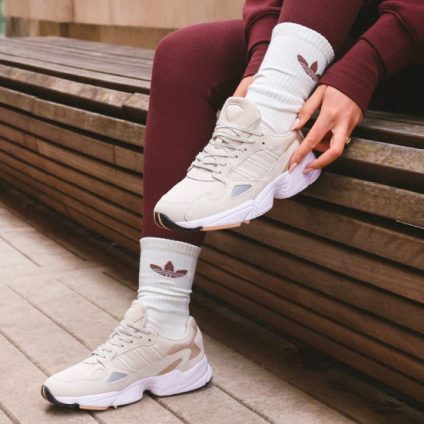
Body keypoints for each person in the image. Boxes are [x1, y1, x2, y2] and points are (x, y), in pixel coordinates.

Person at [41, 0, 423, 410]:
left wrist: (363, 65)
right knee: (184, 53)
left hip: (408, 51)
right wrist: (264, 60)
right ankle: (162, 325)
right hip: (334, 37)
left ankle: (271, 127)